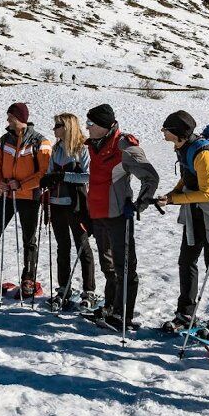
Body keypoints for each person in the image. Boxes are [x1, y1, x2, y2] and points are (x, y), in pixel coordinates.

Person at [81, 105, 160, 329]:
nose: (87, 128)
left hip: (118, 214)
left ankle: (123, 314)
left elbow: (150, 176)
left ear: (104, 126)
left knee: (124, 265)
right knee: (108, 265)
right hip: (98, 213)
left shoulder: (124, 145)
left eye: (90, 124)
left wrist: (139, 204)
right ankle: (109, 306)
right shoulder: (95, 145)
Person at [156, 110, 209, 334]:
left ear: (178, 132)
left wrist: (174, 199)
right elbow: (187, 175)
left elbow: (208, 192)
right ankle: (185, 313)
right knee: (186, 261)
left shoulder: (203, 153)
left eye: (166, 129)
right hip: (194, 211)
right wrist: (172, 194)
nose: (163, 133)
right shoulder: (186, 148)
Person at [0, 103, 52, 299]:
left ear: (20, 118)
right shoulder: (4, 140)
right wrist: (0, 183)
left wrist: (21, 185)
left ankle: (29, 278)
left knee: (29, 239)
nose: (7, 120)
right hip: (6, 195)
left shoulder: (41, 142)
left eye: (10, 117)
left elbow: (44, 173)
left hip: (30, 197)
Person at [39, 112, 94, 310]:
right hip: (56, 203)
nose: (54, 129)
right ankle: (64, 287)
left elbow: (88, 176)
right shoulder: (56, 149)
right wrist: (47, 179)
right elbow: (51, 173)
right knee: (62, 247)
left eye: (57, 126)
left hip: (76, 204)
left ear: (67, 127)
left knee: (82, 246)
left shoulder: (82, 149)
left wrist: (63, 176)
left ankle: (89, 290)